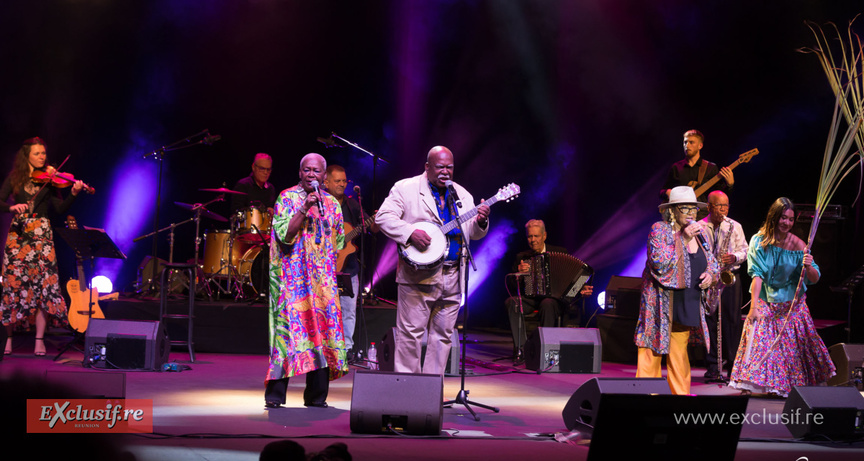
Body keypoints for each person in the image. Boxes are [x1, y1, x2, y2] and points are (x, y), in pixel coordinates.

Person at [375, 146, 490, 374]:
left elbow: (472, 234)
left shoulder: (463, 195)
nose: (445, 172)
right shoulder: (406, 188)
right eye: (440, 167)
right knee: (411, 335)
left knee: (442, 338)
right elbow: (383, 217)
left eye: (449, 167)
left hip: (454, 275)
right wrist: (409, 233)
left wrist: (481, 222)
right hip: (417, 275)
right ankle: (408, 391)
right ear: (427, 167)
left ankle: (430, 391)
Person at [729, 198, 835, 397]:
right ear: (774, 217)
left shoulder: (799, 245)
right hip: (766, 299)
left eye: (791, 219)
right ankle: (758, 383)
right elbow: (757, 275)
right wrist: (753, 308)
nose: (786, 223)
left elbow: (814, 279)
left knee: (797, 346)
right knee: (760, 340)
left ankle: (793, 386)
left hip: (791, 304)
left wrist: (809, 264)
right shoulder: (758, 241)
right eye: (783, 218)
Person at [264, 153, 348, 408]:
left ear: (324, 176)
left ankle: (316, 396)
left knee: (322, 334)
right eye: (307, 170)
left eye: (317, 171)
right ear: (300, 173)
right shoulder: (286, 198)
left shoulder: (332, 203)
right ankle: (276, 396)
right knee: (288, 334)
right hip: (292, 280)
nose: (312, 175)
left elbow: (339, 242)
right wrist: (304, 208)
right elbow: (285, 235)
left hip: (322, 282)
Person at [1, 137, 86, 356]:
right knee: (13, 286)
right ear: (26, 156)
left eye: (43, 153)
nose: (42, 157)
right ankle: (8, 339)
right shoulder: (15, 178)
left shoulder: (49, 181)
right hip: (19, 237)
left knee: (43, 287)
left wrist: (74, 193)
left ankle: (40, 339)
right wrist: (12, 208)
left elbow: (59, 209)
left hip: (42, 237)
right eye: (37, 154)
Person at [635, 186, 720, 395]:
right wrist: (683, 238)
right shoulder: (659, 229)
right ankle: (644, 398)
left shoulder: (701, 235)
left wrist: (711, 274)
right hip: (660, 302)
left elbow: (713, 262)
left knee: (679, 352)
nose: (691, 214)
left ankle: (681, 398)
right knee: (652, 350)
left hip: (686, 301)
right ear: (672, 210)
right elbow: (659, 263)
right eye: (685, 209)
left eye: (694, 210)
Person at [323, 165, 378, 358]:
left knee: (348, 310)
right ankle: (323, 346)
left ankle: (346, 349)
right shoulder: (319, 203)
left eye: (344, 181)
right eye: (337, 181)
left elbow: (372, 229)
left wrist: (376, 220)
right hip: (322, 267)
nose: (341, 185)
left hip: (349, 267)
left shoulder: (352, 204)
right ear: (326, 182)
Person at [504, 219, 568, 364]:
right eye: (529, 236)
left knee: (547, 303)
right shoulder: (522, 257)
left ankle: (545, 350)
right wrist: (519, 275)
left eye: (536, 236)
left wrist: (581, 289)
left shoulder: (559, 252)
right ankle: (522, 349)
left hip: (553, 300)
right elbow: (513, 286)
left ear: (544, 236)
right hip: (531, 299)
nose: (532, 240)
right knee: (512, 303)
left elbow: (571, 279)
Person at [700, 191, 748, 382]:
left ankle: (733, 366)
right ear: (709, 206)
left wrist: (734, 257)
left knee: (732, 322)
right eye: (719, 206)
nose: (723, 210)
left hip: (729, 277)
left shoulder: (734, 226)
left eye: (726, 206)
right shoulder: (700, 227)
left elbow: (744, 250)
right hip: (708, 279)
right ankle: (712, 367)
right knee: (709, 322)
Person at [661, 130, 734, 218]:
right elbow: (662, 191)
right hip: (680, 216)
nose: (687, 146)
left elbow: (719, 196)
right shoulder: (676, 167)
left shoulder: (710, 168)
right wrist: (668, 192)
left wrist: (730, 185)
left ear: (700, 145)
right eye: (685, 142)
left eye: (691, 142)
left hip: (702, 217)